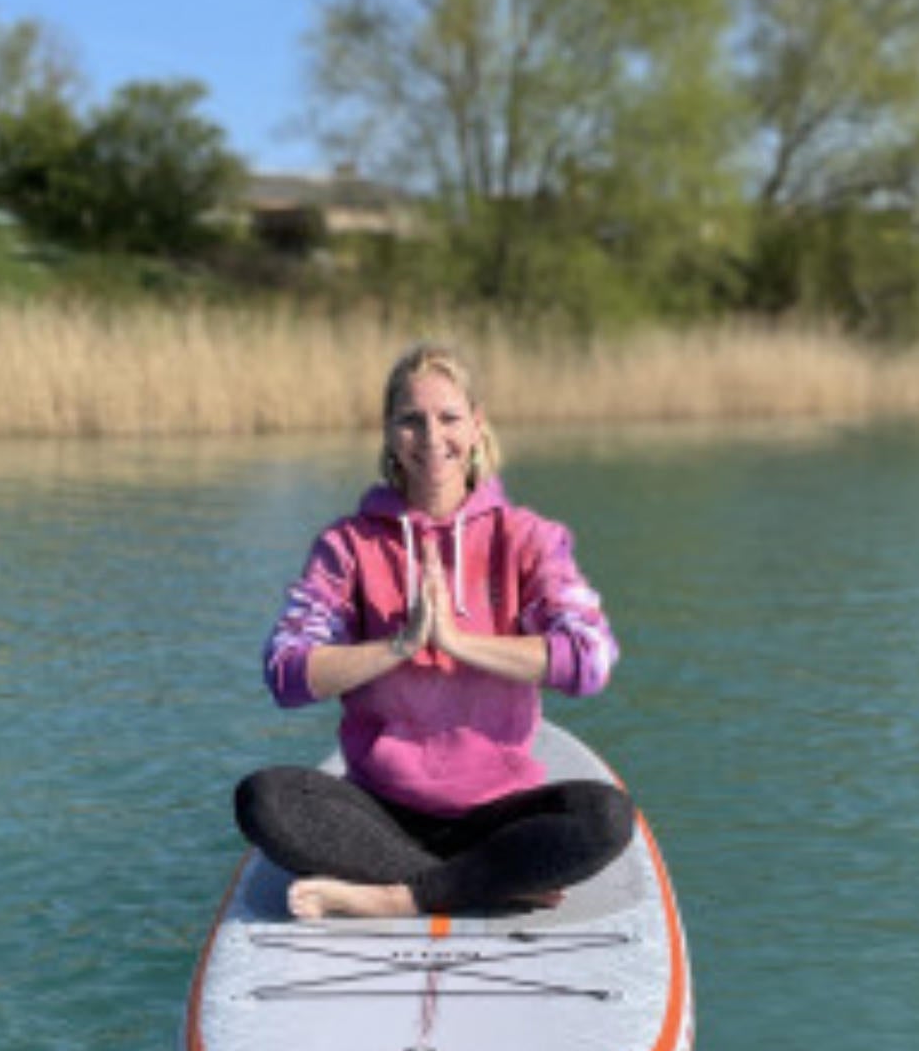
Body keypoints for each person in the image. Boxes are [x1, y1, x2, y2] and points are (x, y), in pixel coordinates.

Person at [235, 341, 634, 921]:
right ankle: (482, 883)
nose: (430, 438)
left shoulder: (527, 539)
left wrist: (457, 643)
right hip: (380, 811)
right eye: (410, 420)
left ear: (476, 427)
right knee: (263, 800)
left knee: (605, 818)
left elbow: (590, 660)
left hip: (499, 812)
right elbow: (286, 672)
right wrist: (400, 646)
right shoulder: (347, 546)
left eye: (448, 418)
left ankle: (400, 895)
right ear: (389, 434)